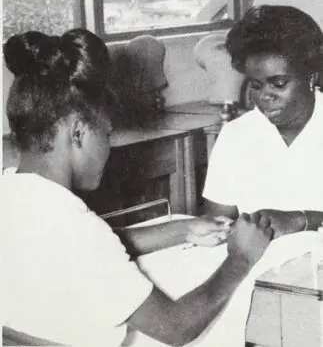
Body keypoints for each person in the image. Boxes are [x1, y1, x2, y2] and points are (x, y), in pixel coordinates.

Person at [1, 29, 273, 347]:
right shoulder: (77, 230)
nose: (109, 147)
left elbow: (87, 245)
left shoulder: (15, 198)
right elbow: (177, 327)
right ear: (77, 133)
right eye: (106, 134)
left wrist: (183, 229)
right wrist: (239, 259)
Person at [202, 4, 323, 237]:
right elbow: (217, 225)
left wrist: (301, 220)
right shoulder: (236, 135)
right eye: (255, 85)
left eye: (279, 84)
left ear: (311, 77)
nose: (264, 96)